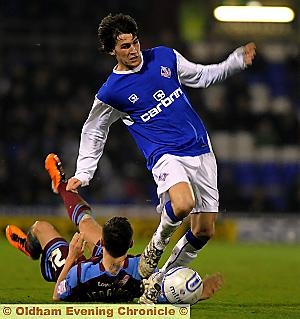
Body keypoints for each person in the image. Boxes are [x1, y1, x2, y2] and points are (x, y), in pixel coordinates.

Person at [64, 13, 256, 279]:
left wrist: (234, 62)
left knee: (204, 231)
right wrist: (84, 173)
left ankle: (160, 279)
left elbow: (201, 76)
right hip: (165, 154)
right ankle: (156, 246)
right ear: (111, 50)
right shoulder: (111, 92)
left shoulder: (164, 57)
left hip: (201, 148)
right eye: (124, 46)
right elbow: (94, 129)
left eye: (134, 43)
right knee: (182, 204)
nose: (133, 50)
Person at [6, 153, 223, 303]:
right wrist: (198, 291)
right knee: (85, 223)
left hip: (72, 266)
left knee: (42, 227)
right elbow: (167, 287)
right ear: (130, 243)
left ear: (102, 243)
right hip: (105, 265)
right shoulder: (139, 269)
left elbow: (57, 294)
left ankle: (31, 246)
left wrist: (72, 256)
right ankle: (62, 186)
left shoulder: (80, 272)